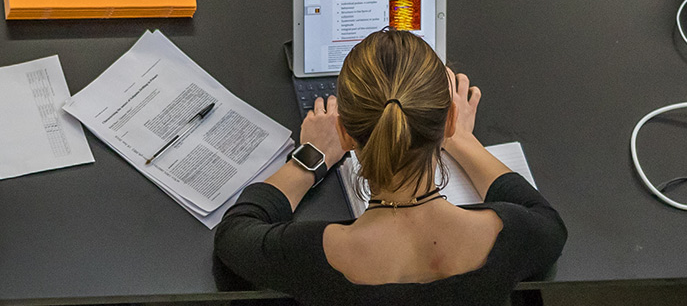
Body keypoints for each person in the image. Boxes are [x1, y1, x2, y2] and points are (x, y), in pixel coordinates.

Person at [214, 29, 566, 305]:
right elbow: (547, 220)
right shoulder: (508, 235)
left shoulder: (312, 253)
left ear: (345, 134)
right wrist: (461, 139)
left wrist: (312, 155)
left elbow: (234, 234)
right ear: (450, 121)